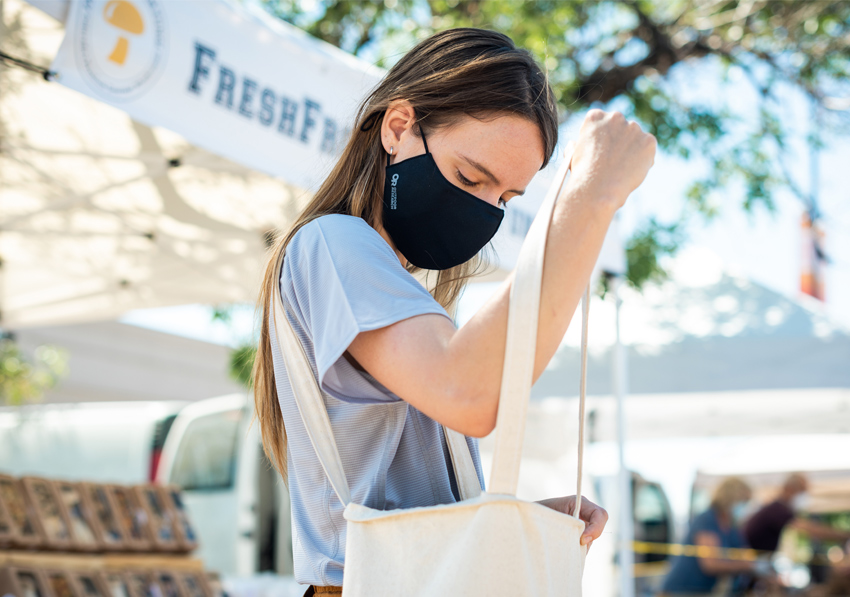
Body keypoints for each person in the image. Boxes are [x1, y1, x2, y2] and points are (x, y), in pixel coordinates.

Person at [252, 28, 656, 595]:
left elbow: (403, 507)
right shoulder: (335, 244)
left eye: (506, 200)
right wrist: (591, 196)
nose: (484, 211)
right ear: (398, 128)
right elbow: (472, 396)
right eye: (471, 177)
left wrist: (510, 518)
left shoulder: (389, 282)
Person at [661, 477, 772, 596]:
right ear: (730, 498)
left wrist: (760, 569)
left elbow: (746, 554)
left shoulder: (732, 525)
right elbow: (710, 564)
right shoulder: (706, 520)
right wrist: (747, 565)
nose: (744, 506)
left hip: (705, 590)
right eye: (743, 501)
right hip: (683, 590)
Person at [744, 473, 850, 553]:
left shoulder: (779, 508)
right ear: (789, 489)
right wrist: (843, 535)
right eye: (802, 491)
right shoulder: (778, 510)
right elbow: (810, 529)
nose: (803, 496)